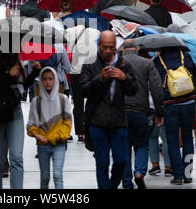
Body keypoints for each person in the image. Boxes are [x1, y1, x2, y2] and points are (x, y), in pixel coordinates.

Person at [80, 30, 138, 189]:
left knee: (121, 160)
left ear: (115, 47)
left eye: (111, 47)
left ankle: (111, 186)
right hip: (97, 121)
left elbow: (133, 90)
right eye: (105, 47)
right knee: (102, 163)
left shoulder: (124, 64)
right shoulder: (90, 63)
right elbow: (83, 91)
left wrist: (124, 78)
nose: (108, 51)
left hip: (118, 121)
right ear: (99, 46)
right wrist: (100, 79)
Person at [0, 52, 41, 189]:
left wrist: (35, 72)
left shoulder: (18, 62)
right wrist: (8, 75)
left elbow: (19, 88)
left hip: (15, 112)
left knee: (17, 158)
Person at [153, 45, 196, 185]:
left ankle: (177, 176)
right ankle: (188, 174)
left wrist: (159, 109)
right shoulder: (186, 57)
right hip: (188, 103)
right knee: (188, 138)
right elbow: (195, 76)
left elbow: (156, 85)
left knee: (172, 141)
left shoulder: (159, 60)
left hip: (170, 105)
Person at [119, 39, 164, 189]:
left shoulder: (116, 64)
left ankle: (126, 181)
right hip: (141, 111)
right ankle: (139, 172)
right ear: (137, 49)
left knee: (124, 147)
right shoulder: (147, 63)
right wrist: (159, 111)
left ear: (123, 50)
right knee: (142, 145)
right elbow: (157, 88)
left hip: (121, 112)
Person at [27, 67, 72, 189]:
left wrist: (57, 136)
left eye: (51, 79)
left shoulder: (63, 99)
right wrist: (37, 135)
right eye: (45, 79)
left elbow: (67, 123)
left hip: (59, 143)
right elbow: (31, 124)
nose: (47, 82)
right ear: (40, 81)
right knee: (45, 177)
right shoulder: (36, 102)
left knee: (57, 175)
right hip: (42, 144)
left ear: (55, 80)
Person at [66, 23, 101, 143]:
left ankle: (80, 133)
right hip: (92, 70)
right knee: (93, 100)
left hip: (76, 70)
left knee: (78, 102)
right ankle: (91, 130)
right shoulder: (96, 32)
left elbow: (67, 50)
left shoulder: (69, 31)